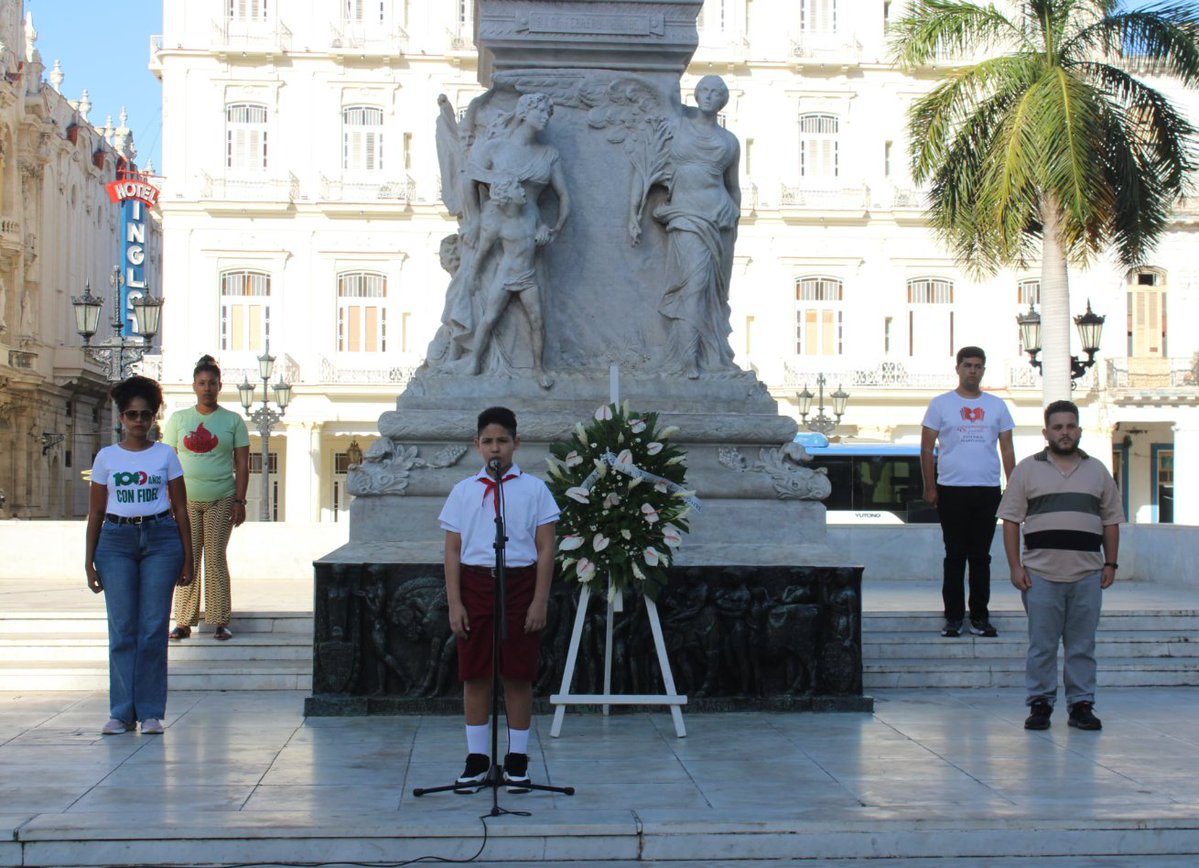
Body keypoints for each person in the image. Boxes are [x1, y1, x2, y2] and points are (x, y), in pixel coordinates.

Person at [439, 406, 559, 793]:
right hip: (476, 584)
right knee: (475, 673)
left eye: (502, 441)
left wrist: (539, 600)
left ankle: (517, 760)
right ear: (477, 445)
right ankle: (477, 759)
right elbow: (452, 551)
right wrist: (455, 602)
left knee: (517, 674)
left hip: (520, 584)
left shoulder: (534, 489)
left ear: (516, 444)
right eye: (488, 441)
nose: (496, 448)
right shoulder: (463, 491)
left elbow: (545, 548)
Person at [998, 400, 1123, 731]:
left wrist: (1110, 563)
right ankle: (1040, 705)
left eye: (1070, 426)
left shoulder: (1097, 470)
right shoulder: (1026, 470)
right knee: (1042, 645)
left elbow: (1111, 521)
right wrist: (1015, 567)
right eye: (1058, 427)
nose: (1064, 433)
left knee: (1082, 645)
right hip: (1040, 575)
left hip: (1087, 573)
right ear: (1046, 432)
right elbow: (1010, 521)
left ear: (1079, 430)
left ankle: (1081, 705)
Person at [432, 92, 570, 383]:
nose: (545, 117)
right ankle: (463, 355)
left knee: (535, 318)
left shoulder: (547, 154)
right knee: (473, 290)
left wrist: (553, 228)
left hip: (530, 225)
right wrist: (474, 218)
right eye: (541, 110)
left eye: (548, 112)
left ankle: (535, 368)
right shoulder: (495, 147)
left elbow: (564, 198)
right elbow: (469, 178)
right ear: (524, 111)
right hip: (494, 222)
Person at [85, 375, 193, 735]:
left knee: (152, 628)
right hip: (115, 541)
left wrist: (189, 558)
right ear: (121, 417)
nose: (138, 421)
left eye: (145, 415)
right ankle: (120, 712)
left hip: (161, 540)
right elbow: (96, 513)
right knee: (122, 628)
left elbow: (181, 509)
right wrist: (89, 561)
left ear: (154, 417)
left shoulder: (166, 456)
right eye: (131, 414)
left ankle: (149, 712)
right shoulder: (106, 458)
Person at [630, 74, 741, 379]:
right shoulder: (676, 129)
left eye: (716, 92)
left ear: (723, 100)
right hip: (685, 215)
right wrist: (634, 213)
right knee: (693, 284)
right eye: (704, 89)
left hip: (717, 218)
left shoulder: (729, 142)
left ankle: (703, 355)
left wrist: (735, 218)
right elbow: (645, 168)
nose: (709, 95)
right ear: (695, 94)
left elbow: (733, 186)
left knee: (706, 290)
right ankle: (686, 359)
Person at [921, 346, 1015, 638]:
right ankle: (953, 617)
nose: (972, 370)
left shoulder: (997, 406)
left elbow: (1007, 447)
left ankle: (979, 617)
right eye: (967, 365)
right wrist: (929, 486)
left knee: (981, 556)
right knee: (954, 555)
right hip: (951, 490)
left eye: (977, 366)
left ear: (983, 370)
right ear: (958, 368)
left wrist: (1014, 486)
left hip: (987, 489)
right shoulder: (940, 404)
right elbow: (926, 448)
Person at [164, 355, 250, 642]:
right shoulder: (178, 419)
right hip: (185, 500)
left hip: (222, 497)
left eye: (212, 383)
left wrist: (240, 501)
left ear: (220, 386)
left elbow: (242, 464)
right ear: (194, 386)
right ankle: (183, 622)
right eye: (202, 383)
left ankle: (219, 620)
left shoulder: (233, 421)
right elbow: (168, 461)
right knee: (187, 557)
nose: (207, 388)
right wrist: (166, 501)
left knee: (214, 557)